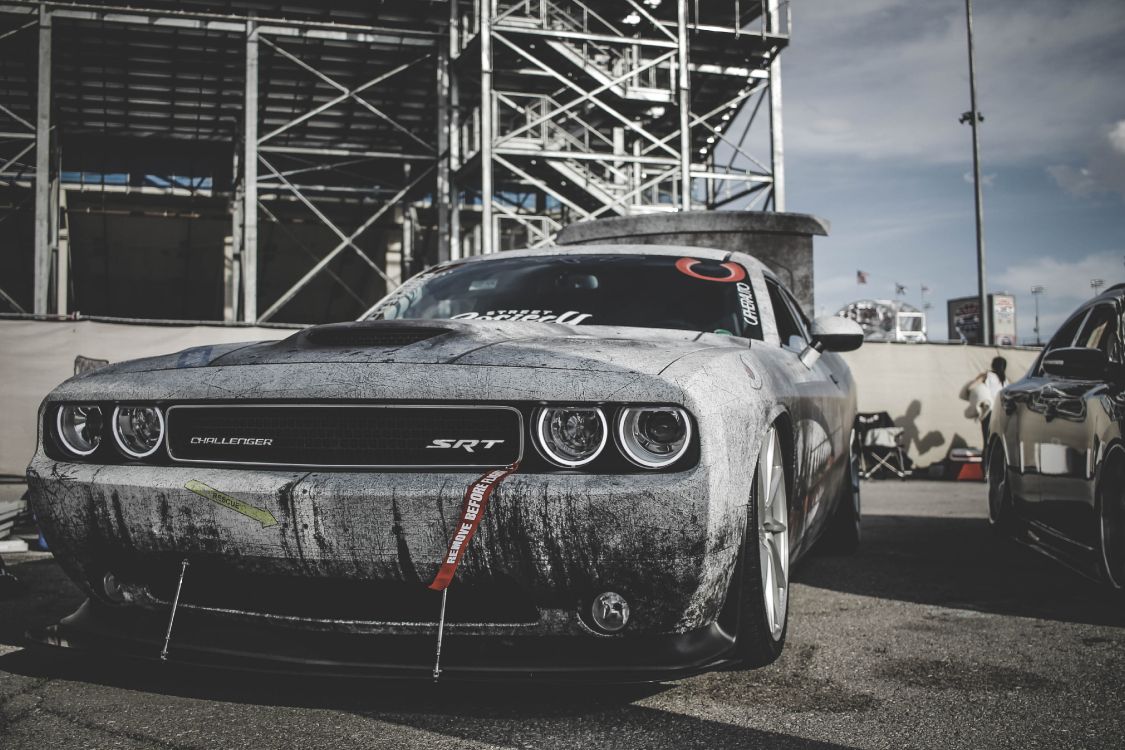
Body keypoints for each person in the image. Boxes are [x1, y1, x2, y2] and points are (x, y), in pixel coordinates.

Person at [960, 356, 1008, 448]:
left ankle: (985, 462)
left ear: (993, 365)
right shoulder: (1005, 381)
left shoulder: (987, 375)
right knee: (998, 443)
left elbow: (971, 387)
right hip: (1001, 414)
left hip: (989, 411)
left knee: (987, 442)